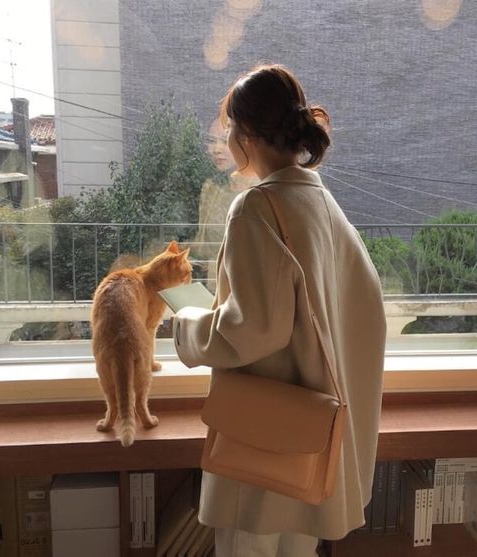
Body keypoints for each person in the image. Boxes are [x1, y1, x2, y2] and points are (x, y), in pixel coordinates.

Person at [173, 64, 386, 557]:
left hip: (263, 436)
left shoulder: (257, 208)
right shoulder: (322, 202)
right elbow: (364, 312)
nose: (226, 139)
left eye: (229, 127)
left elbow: (251, 332)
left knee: (246, 545)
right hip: (314, 436)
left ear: (247, 134)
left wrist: (187, 328)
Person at [193, 118, 255, 291]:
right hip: (214, 289)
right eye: (211, 141)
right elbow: (202, 246)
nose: (216, 149)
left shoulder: (260, 191)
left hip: (247, 291)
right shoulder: (210, 189)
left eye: (224, 140)